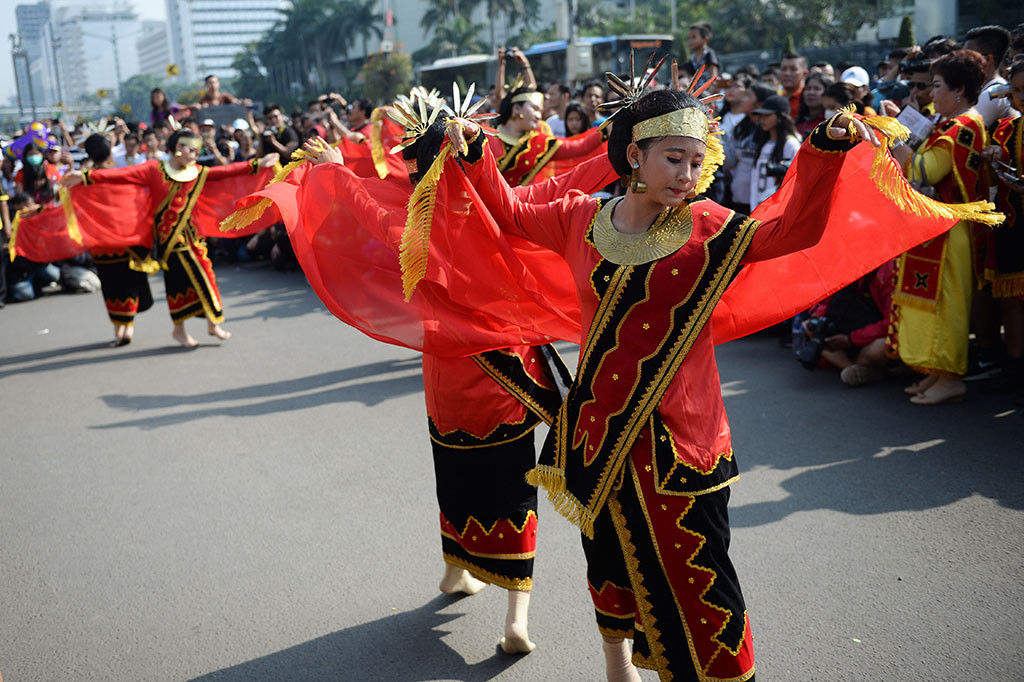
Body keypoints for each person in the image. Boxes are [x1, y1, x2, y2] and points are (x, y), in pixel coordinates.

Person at [444, 66, 886, 680]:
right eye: (673, 158)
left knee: (705, 576)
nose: (687, 173)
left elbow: (796, 230)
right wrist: (473, 155)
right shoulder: (579, 218)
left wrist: (824, 152)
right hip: (597, 432)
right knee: (608, 557)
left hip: (682, 441)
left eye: (696, 160)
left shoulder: (710, 229)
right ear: (634, 155)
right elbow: (510, 212)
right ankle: (616, 665)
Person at [62, 129, 279, 347]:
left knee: (197, 278)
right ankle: (199, 326)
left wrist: (257, 165)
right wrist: (86, 176)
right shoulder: (153, 170)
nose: (195, 154)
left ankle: (197, 326)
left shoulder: (196, 172)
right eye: (191, 149)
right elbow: (121, 175)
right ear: (177, 149)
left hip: (194, 237)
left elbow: (224, 171)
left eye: (197, 150)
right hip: (169, 239)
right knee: (186, 280)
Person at [886, 50, 990, 404]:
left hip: (952, 230)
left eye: (937, 86)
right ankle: (935, 370)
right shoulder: (947, 123)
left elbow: (925, 171)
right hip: (936, 227)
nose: (931, 93)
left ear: (959, 90)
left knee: (948, 306)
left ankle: (951, 375)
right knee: (931, 302)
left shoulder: (962, 127)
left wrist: (898, 141)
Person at [82, 133, 154, 346]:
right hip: (124, 239)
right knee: (127, 283)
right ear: (111, 151)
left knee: (111, 285)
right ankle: (127, 328)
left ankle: (118, 330)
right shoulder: (119, 175)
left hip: (100, 243)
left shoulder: (83, 179)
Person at [982, 59, 1024, 394]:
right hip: (1012, 223)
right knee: (1010, 299)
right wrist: (992, 155)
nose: (1021, 98)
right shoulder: (1006, 130)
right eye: (1017, 91)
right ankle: (1014, 363)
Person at [489, 84, 607, 186]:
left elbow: (581, 147)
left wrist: (609, 128)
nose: (539, 116)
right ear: (517, 108)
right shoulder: (486, 139)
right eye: (535, 109)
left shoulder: (539, 142)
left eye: (540, 111)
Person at [806, 261, 896, 387]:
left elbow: (890, 323)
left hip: (867, 336)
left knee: (881, 347)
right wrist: (817, 316)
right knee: (809, 327)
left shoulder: (887, 273)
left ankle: (858, 367)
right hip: (843, 329)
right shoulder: (846, 265)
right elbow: (826, 300)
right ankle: (852, 367)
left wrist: (851, 339)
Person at [724, 82, 775, 215]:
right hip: (737, 196)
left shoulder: (769, 131)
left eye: (748, 96)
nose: (743, 99)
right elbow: (730, 163)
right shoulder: (740, 128)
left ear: (760, 103)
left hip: (761, 198)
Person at [750, 94, 801, 207]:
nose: (762, 119)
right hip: (758, 205)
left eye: (767, 115)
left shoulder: (790, 144)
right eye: (761, 116)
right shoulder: (764, 142)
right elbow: (755, 179)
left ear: (780, 117)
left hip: (777, 206)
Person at [964, 25, 1018, 126]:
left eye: (967, 57)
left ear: (987, 60)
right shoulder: (986, 90)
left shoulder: (994, 94)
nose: (961, 62)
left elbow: (960, 130)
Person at [795, 72, 832, 137]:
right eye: (808, 88)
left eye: (817, 89)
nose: (811, 93)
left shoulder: (830, 122)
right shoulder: (799, 120)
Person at [686, 22, 719, 88]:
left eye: (694, 37)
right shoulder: (692, 58)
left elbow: (713, 78)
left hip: (707, 92)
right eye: (689, 38)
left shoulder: (709, 54)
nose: (690, 41)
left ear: (705, 39)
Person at [780, 52, 808, 118]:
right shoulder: (777, 97)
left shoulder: (808, 98)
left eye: (793, 69)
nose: (787, 73)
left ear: (805, 74)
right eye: (783, 69)